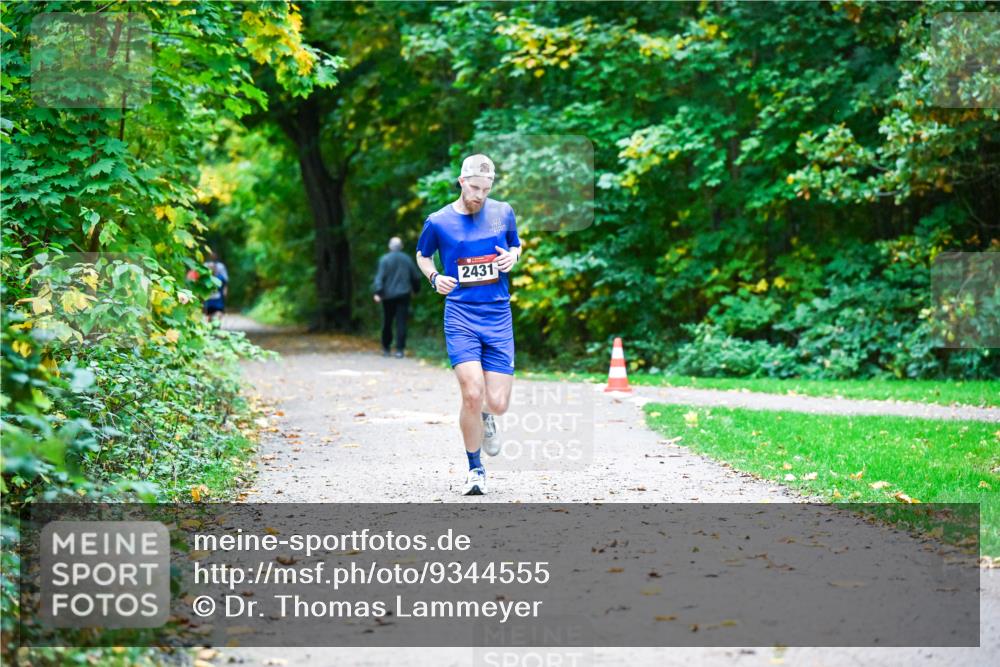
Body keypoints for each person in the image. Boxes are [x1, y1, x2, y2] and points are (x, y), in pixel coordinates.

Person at [415, 154, 521, 495]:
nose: (480, 195)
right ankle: (475, 469)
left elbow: (516, 244)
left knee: (498, 403)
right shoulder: (438, 221)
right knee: (472, 393)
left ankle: (487, 416)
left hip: (498, 314)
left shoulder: (502, 212)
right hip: (460, 314)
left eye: (486, 189)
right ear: (461, 182)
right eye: (475, 188)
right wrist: (434, 277)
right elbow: (422, 255)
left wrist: (512, 257)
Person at [372, 236, 422, 357]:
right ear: (401, 247)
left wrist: (378, 292)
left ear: (390, 246)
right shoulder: (407, 259)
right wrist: (416, 290)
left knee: (387, 322)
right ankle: (400, 350)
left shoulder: (384, 259)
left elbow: (379, 278)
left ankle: (386, 349)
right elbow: (416, 277)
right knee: (401, 322)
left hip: (387, 296)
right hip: (404, 295)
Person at [203, 249, 228, 325]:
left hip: (218, 299)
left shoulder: (220, 275)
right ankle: (210, 328)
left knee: (219, 313)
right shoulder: (206, 277)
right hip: (209, 299)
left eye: (213, 268)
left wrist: (225, 291)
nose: (212, 269)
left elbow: (225, 283)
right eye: (210, 268)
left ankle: (217, 325)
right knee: (209, 316)